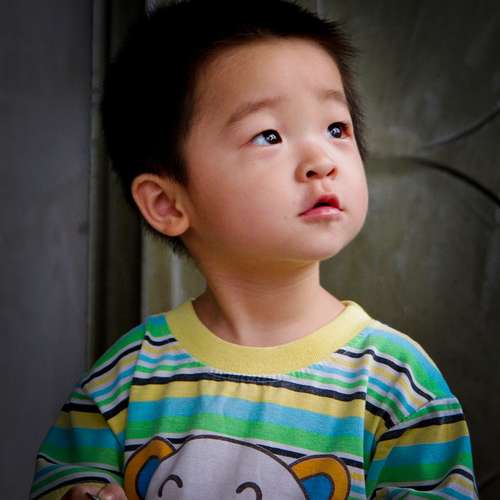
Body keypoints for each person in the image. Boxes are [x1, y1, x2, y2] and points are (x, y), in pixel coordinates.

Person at [31, 0, 477, 498]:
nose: (322, 160)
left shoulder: (398, 382)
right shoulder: (127, 377)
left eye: (336, 128)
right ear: (167, 203)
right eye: (268, 135)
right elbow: (63, 476)